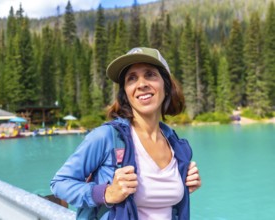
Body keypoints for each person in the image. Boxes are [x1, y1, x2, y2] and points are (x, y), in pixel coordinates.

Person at [50, 47, 201, 219]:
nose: (142, 84)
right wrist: (106, 193)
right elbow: (59, 184)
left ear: (166, 85)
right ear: (126, 93)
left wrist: (183, 185)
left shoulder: (174, 142)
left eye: (150, 74)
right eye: (132, 78)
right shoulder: (107, 137)